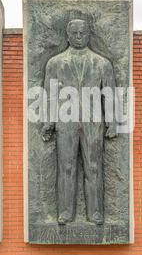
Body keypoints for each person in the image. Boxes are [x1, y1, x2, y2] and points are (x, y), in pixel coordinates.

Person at [41, 19, 117, 225]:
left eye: (82, 33)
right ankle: (65, 212)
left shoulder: (102, 63)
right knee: (66, 167)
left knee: (93, 167)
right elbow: (49, 95)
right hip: (66, 122)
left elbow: (109, 94)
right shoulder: (55, 63)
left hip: (93, 122)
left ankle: (95, 212)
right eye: (74, 33)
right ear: (67, 35)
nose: (78, 37)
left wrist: (112, 122)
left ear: (88, 34)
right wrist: (48, 121)